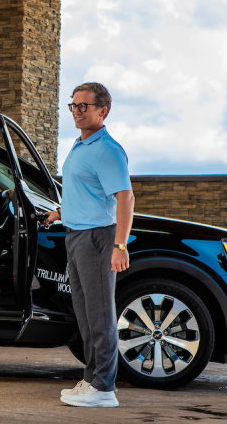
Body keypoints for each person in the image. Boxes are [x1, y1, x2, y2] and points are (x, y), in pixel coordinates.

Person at [45, 82, 134, 408]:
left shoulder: (107, 150)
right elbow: (85, 191)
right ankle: (91, 378)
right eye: (74, 105)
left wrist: (119, 245)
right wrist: (60, 212)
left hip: (98, 238)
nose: (77, 111)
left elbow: (126, 199)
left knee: (99, 315)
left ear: (103, 110)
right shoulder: (81, 145)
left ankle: (103, 388)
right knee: (84, 313)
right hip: (77, 235)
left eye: (84, 106)